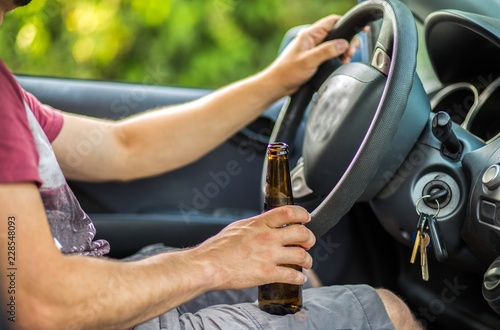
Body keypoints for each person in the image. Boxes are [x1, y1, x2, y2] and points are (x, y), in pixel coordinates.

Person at [0, 1, 422, 329]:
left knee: (294, 282)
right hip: (78, 311)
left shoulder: (7, 94)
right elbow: (39, 304)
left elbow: (125, 145)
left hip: (93, 297)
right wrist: (212, 261)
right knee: (386, 314)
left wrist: (278, 79)